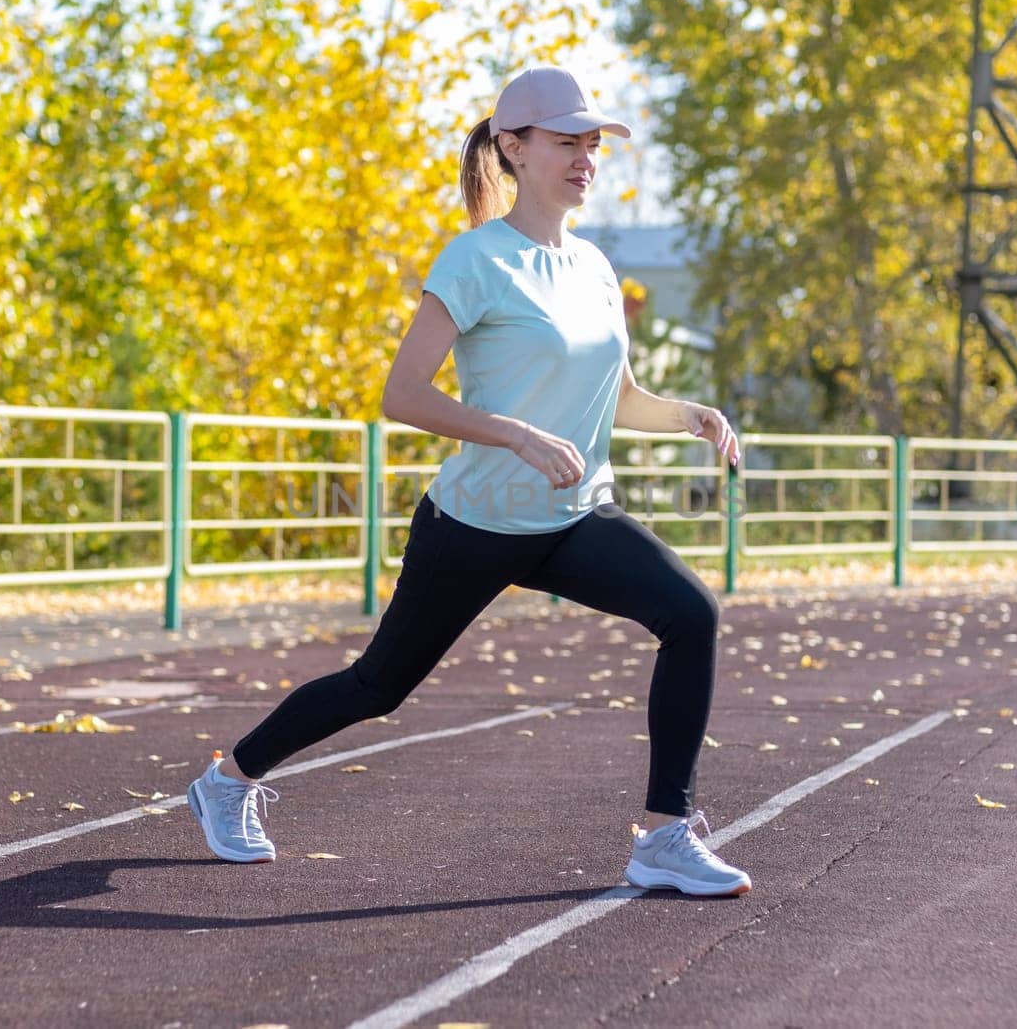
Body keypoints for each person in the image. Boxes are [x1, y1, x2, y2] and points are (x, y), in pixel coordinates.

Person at [187, 66, 751, 897]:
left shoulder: (596, 266)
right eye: (568, 142)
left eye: (593, 144)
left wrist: (685, 415)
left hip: (572, 515)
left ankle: (665, 835)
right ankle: (228, 779)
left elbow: (615, 397)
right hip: (476, 520)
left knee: (691, 613)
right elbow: (402, 395)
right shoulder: (477, 259)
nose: (586, 157)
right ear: (513, 148)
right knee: (378, 687)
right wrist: (515, 435)